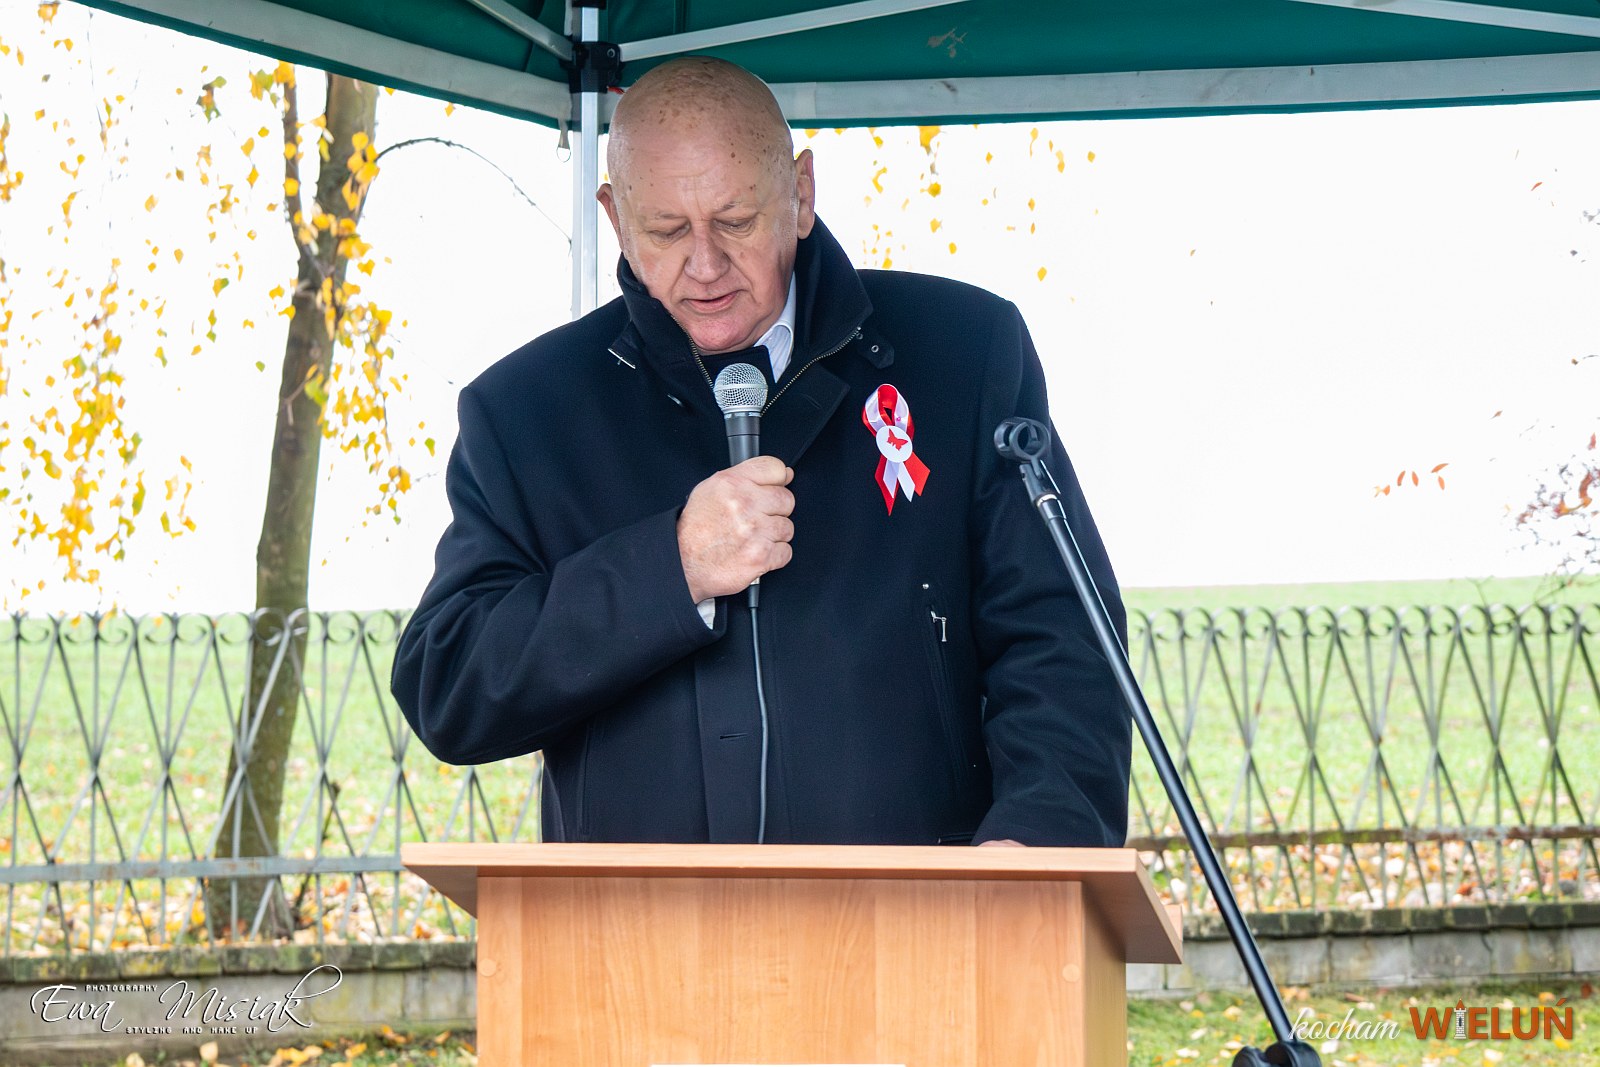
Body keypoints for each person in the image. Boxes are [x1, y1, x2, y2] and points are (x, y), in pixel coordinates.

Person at [391, 57, 1131, 848]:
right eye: (666, 231)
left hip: (932, 913)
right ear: (615, 217)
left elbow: (1061, 640)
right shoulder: (527, 413)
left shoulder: (963, 352)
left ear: (801, 194)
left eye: (736, 221)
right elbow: (450, 683)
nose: (705, 265)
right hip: (631, 924)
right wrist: (669, 569)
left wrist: (1035, 842)